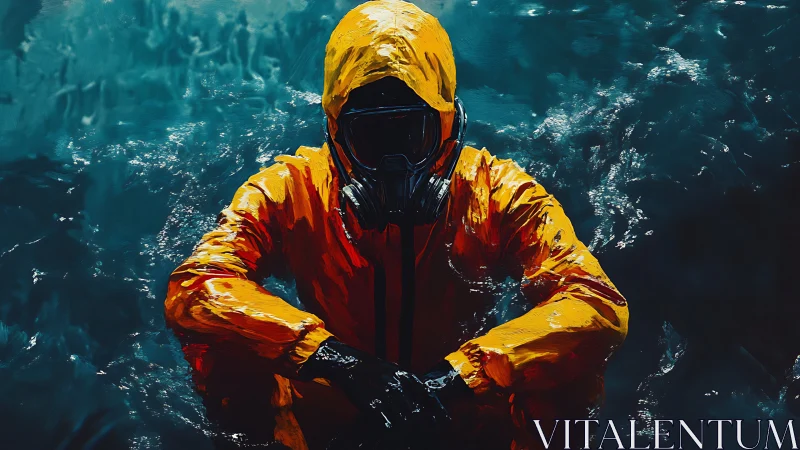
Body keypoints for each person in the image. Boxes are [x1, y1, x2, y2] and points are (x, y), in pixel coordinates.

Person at [164, 1, 629, 449]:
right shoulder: (290, 189)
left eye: (410, 133)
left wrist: (463, 376)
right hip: (330, 420)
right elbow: (198, 286)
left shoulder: (498, 192)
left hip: (463, 417)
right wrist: (331, 358)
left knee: (568, 358)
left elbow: (595, 304)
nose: (394, 164)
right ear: (336, 131)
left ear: (447, 125)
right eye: (371, 136)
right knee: (222, 335)